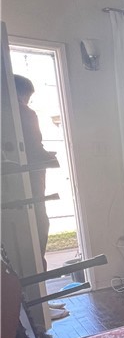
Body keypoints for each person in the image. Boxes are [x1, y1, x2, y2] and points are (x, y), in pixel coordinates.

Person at [13, 76, 66, 317]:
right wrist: (48, 156)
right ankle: (40, 307)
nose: (28, 101)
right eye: (28, 96)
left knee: (34, 247)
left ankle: (41, 303)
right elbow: (35, 147)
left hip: (30, 194)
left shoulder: (15, 116)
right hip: (31, 194)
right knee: (36, 244)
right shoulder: (24, 113)